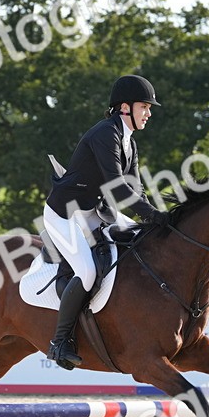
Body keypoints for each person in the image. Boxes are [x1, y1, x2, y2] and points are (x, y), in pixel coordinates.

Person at [42, 74, 171, 369]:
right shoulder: (105, 134)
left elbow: (135, 189)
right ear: (125, 107)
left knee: (141, 240)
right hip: (66, 213)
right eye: (145, 107)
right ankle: (60, 342)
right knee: (87, 271)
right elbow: (117, 187)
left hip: (96, 212)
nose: (149, 113)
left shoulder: (130, 143)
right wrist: (152, 215)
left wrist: (154, 219)